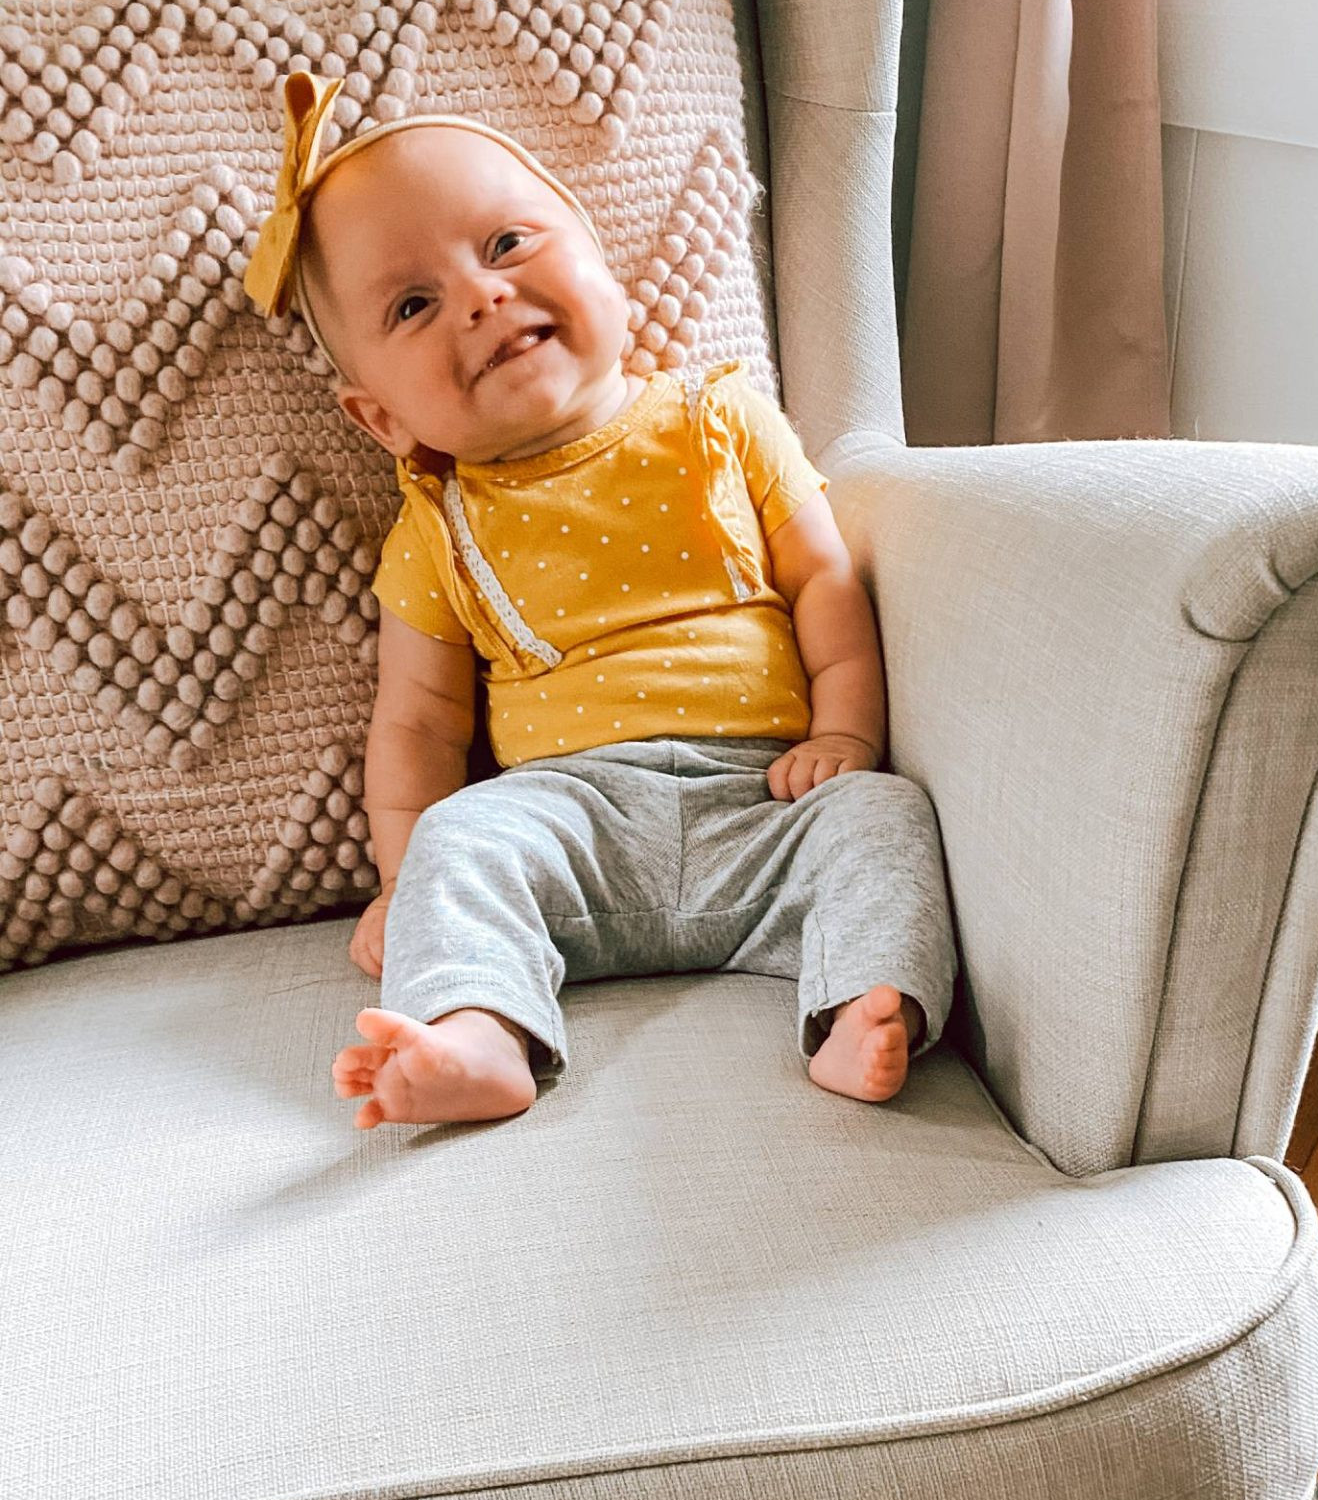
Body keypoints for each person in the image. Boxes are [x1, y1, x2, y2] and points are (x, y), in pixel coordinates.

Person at [241, 73, 956, 1128]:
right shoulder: (435, 532)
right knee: (456, 840)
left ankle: (857, 1006)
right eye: (413, 304)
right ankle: (480, 1032)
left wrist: (847, 730)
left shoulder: (721, 420)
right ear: (380, 417)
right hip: (569, 826)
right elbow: (419, 723)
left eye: (506, 245)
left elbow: (824, 581)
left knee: (886, 814)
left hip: (765, 799)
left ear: (606, 271)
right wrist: (405, 884)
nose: (480, 296)